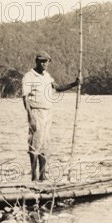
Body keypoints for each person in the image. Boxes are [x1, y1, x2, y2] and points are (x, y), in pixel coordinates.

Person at [22, 51, 80, 181]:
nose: (44, 64)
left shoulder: (47, 76)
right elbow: (25, 98)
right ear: (36, 61)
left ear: (49, 63)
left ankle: (43, 175)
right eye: (41, 61)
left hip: (47, 113)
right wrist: (30, 118)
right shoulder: (29, 77)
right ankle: (34, 177)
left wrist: (74, 84)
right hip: (36, 112)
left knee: (44, 144)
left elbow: (58, 88)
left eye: (46, 61)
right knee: (34, 144)